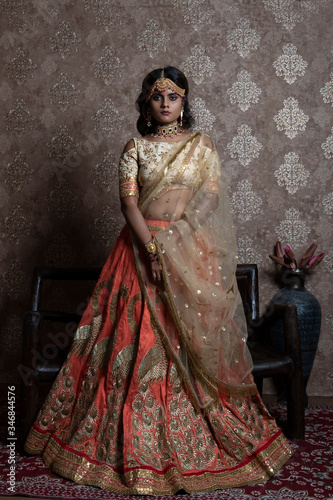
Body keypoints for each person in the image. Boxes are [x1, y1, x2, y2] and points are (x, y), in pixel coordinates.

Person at [24, 66, 292, 495]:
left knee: (194, 339)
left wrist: (176, 243)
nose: (165, 104)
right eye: (157, 97)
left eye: (173, 96)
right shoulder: (135, 148)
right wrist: (152, 250)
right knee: (129, 340)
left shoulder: (202, 146)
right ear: (145, 104)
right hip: (136, 253)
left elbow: (208, 197)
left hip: (189, 251)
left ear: (185, 102)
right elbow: (129, 205)